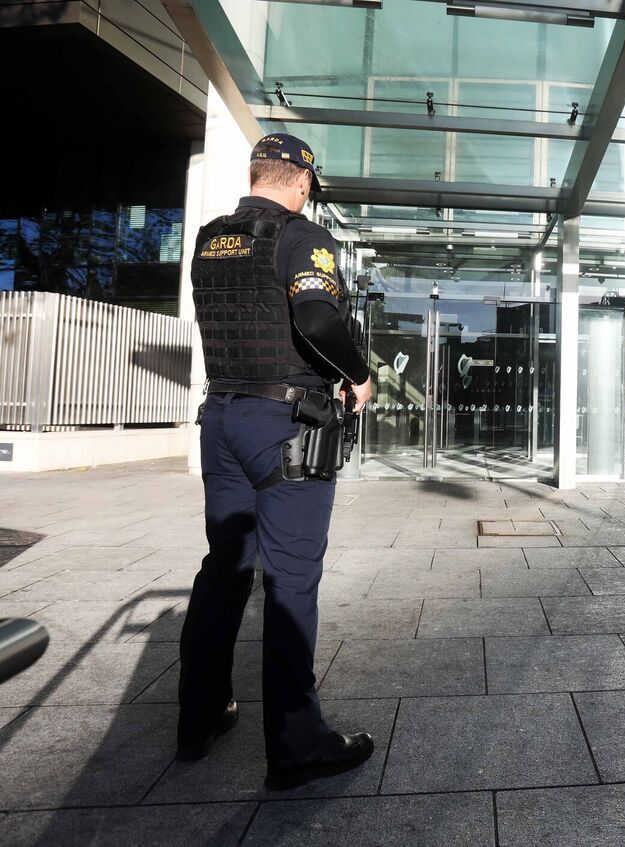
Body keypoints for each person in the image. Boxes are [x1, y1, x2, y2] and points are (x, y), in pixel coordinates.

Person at [178, 133, 374, 791]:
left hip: (223, 418)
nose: (310, 194)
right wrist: (359, 375)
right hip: (285, 426)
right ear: (299, 180)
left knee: (225, 568)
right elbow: (316, 320)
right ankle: (296, 743)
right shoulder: (301, 236)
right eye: (309, 185)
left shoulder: (211, 238)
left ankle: (199, 716)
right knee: (291, 580)